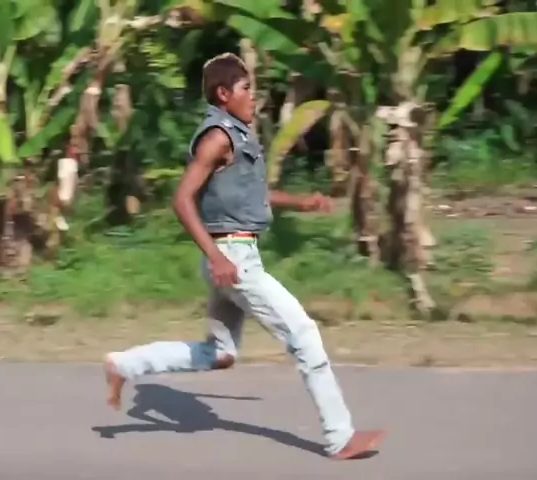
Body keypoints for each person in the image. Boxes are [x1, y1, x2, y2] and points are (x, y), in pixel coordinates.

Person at [103, 53, 385, 460]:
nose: (254, 96)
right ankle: (340, 437)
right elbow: (182, 200)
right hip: (232, 257)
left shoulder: (237, 136)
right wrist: (217, 257)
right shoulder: (217, 137)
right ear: (223, 93)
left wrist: (301, 202)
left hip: (234, 253)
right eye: (246, 88)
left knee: (220, 354)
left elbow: (251, 196)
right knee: (303, 333)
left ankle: (125, 365)